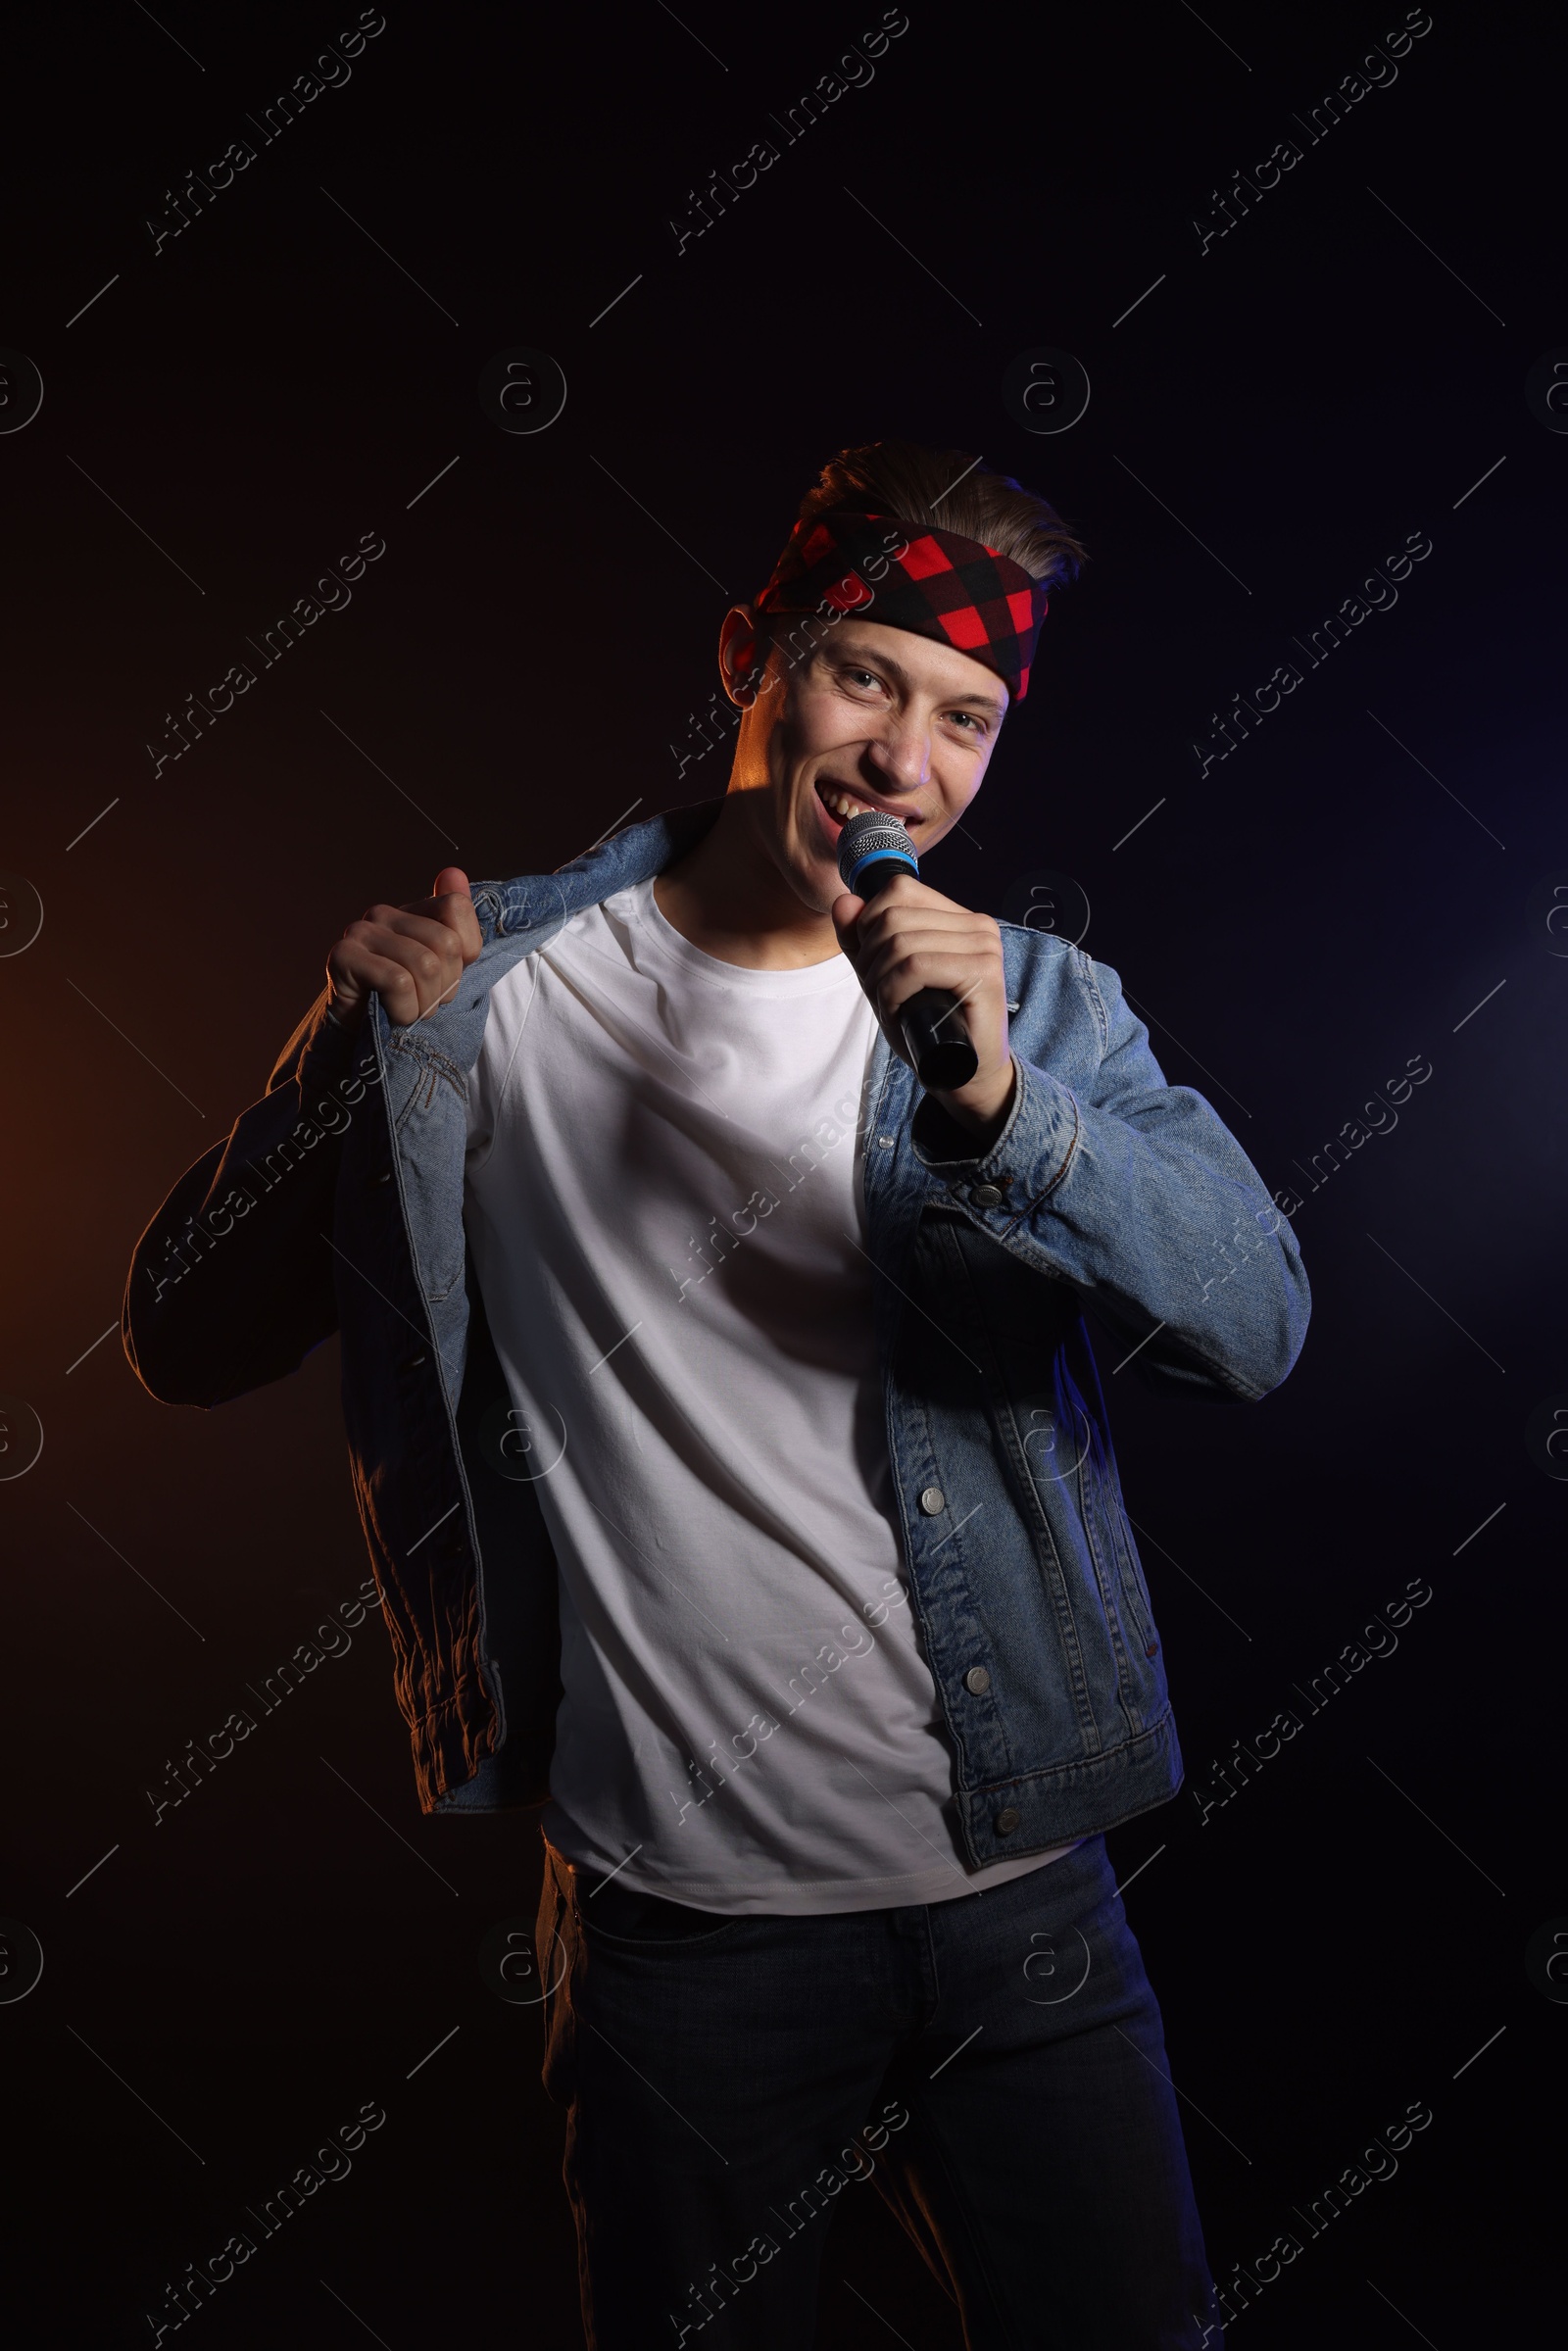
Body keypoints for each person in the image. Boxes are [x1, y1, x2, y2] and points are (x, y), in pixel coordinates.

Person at [125, 441, 1309, 2348]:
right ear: (755, 654)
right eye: (863, 676)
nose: (900, 761)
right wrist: (345, 1076)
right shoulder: (488, 990)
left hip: (1020, 1910)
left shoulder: (1038, 1009)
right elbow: (182, 1336)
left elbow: (1256, 1323)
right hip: (686, 1944)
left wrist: (1006, 1111)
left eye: (964, 717)